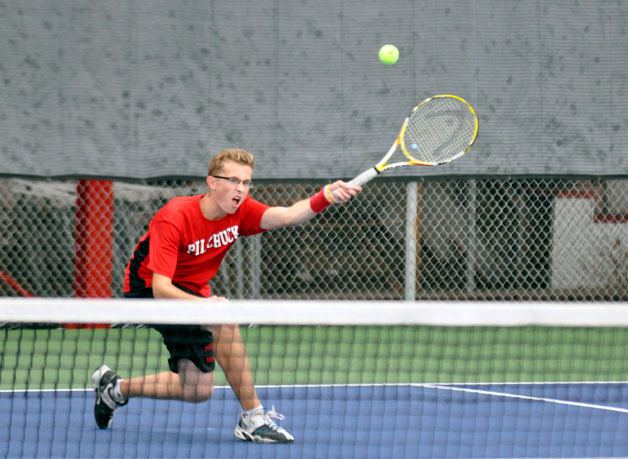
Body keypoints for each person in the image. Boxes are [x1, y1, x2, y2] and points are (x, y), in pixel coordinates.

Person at [92, 148, 361, 443]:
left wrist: (327, 195)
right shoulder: (175, 216)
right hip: (147, 290)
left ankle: (114, 389)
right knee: (223, 321)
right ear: (212, 182)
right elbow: (162, 288)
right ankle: (253, 418)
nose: (241, 189)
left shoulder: (240, 212)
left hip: (191, 290)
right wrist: (207, 306)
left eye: (246, 183)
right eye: (233, 181)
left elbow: (286, 216)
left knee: (197, 390)